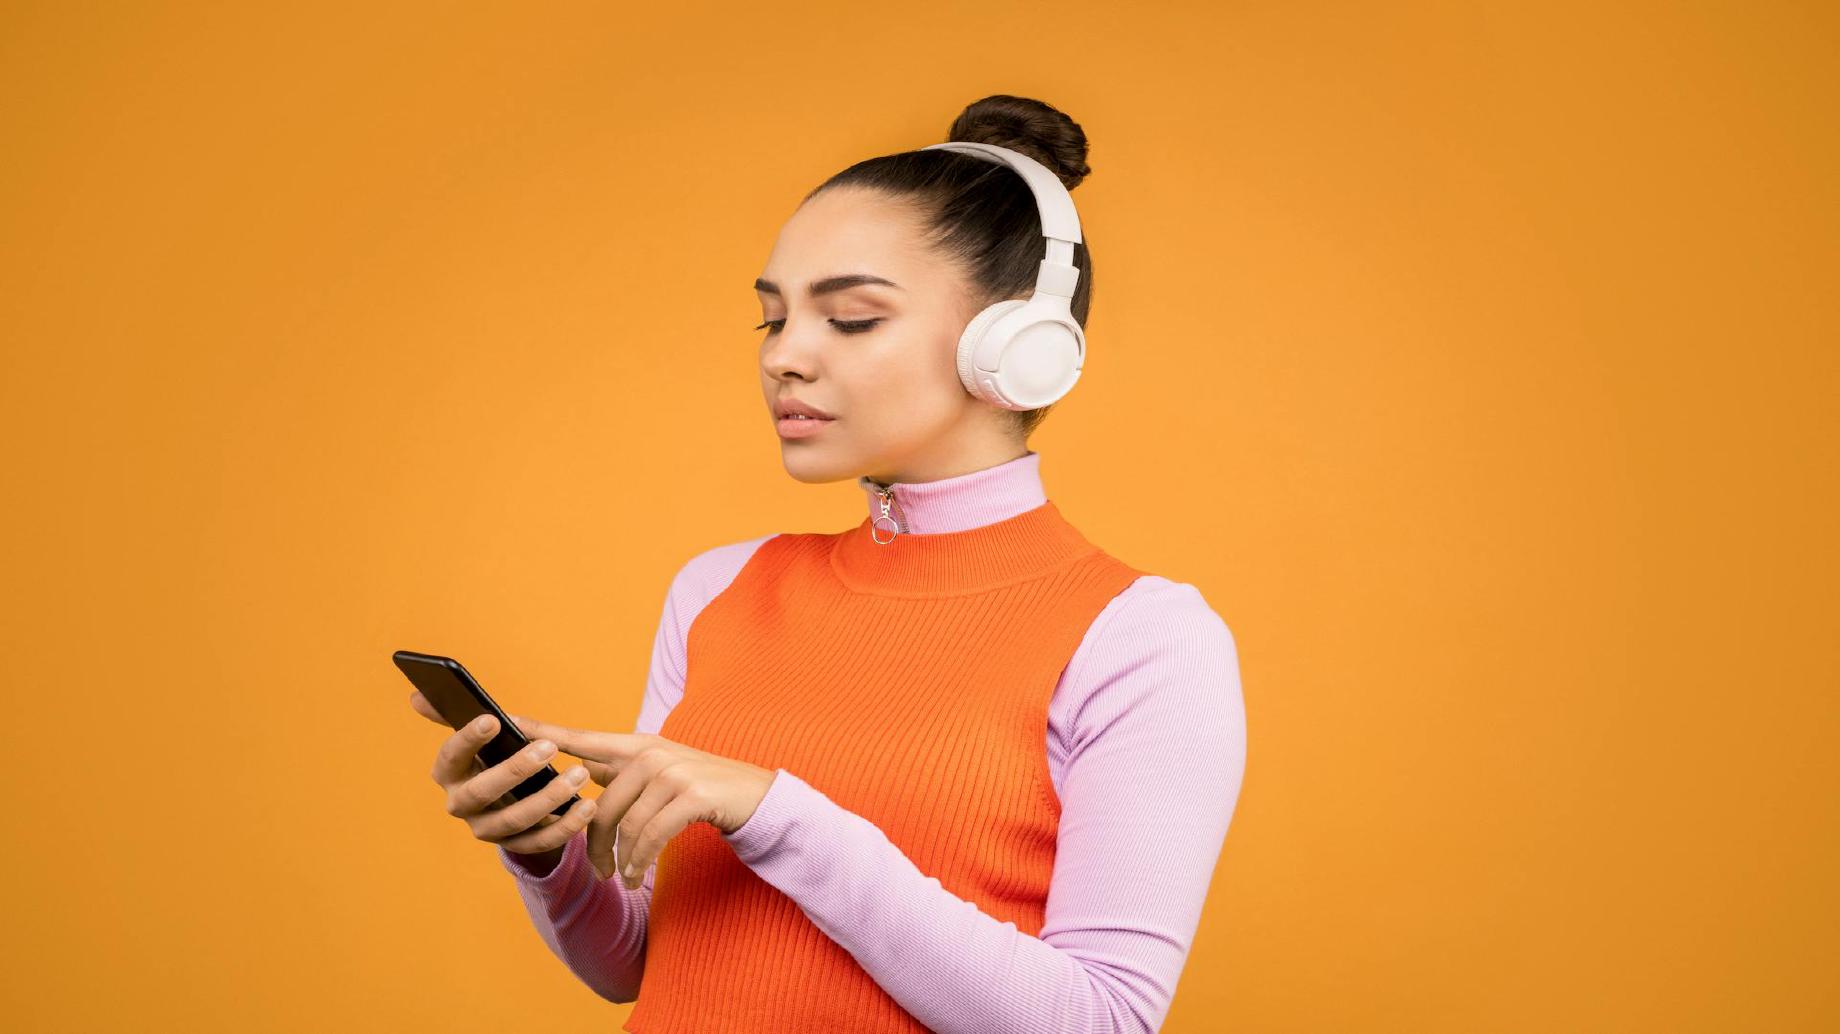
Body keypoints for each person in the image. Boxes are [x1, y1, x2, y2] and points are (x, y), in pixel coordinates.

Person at [409, 93, 1247, 1033]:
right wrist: (548, 857)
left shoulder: (1142, 639)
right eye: (771, 321)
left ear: (1015, 349)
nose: (786, 358)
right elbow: (638, 964)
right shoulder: (720, 589)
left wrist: (778, 814)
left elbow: (1100, 1021)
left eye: (850, 319)